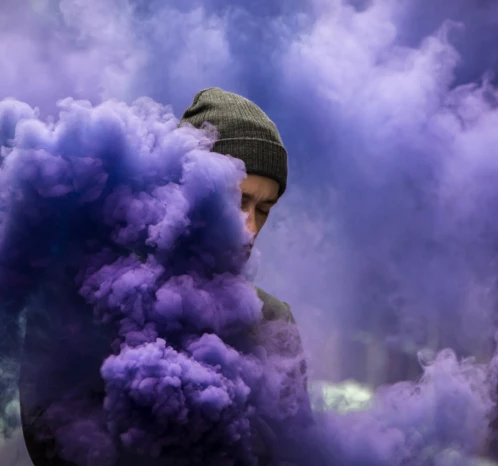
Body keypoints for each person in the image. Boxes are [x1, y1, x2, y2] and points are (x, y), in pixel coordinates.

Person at [19, 88, 309, 466]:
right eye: (238, 200)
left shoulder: (273, 320)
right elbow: (51, 442)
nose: (250, 227)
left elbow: (299, 449)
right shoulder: (83, 302)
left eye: (264, 209)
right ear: (187, 189)